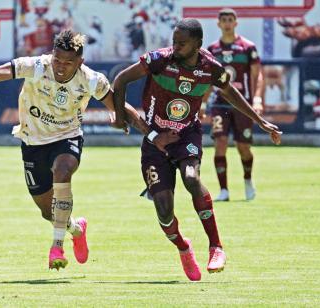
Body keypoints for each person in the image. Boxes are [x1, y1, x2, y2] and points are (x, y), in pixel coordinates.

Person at [0, 29, 150, 271]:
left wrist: (151, 134)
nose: (61, 67)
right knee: (49, 212)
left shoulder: (91, 79)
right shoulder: (36, 66)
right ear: (51, 55)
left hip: (68, 137)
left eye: (68, 63)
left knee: (63, 170)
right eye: (57, 60)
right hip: (32, 142)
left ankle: (57, 247)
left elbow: (120, 105)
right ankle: (76, 229)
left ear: (80, 62)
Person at [112, 18, 281, 281]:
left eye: (182, 43)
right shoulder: (159, 60)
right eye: (174, 42)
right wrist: (123, 120)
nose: (175, 47)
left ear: (197, 44)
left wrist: (260, 120)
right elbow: (121, 80)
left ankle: (216, 247)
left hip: (186, 136)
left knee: (191, 178)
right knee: (164, 209)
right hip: (155, 140)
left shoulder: (211, 67)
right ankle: (183, 247)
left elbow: (229, 91)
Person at [204, 8, 265, 201]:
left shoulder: (248, 47)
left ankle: (247, 180)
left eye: (231, 20)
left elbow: (258, 75)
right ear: (218, 24)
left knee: (243, 147)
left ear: (236, 23)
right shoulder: (212, 50)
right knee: (220, 143)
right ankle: (224, 190)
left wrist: (257, 98)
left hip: (242, 104)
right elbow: (207, 79)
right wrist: (203, 103)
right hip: (219, 104)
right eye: (224, 20)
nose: (227, 23)